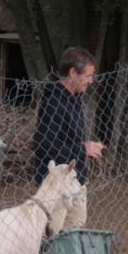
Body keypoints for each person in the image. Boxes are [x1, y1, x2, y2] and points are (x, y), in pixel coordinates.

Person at [33, 47, 106, 233]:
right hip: (56, 183)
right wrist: (83, 149)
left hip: (77, 179)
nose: (91, 81)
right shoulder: (52, 102)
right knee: (50, 233)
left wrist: (86, 146)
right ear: (73, 72)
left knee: (75, 228)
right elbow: (44, 145)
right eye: (88, 76)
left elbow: (70, 138)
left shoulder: (76, 97)